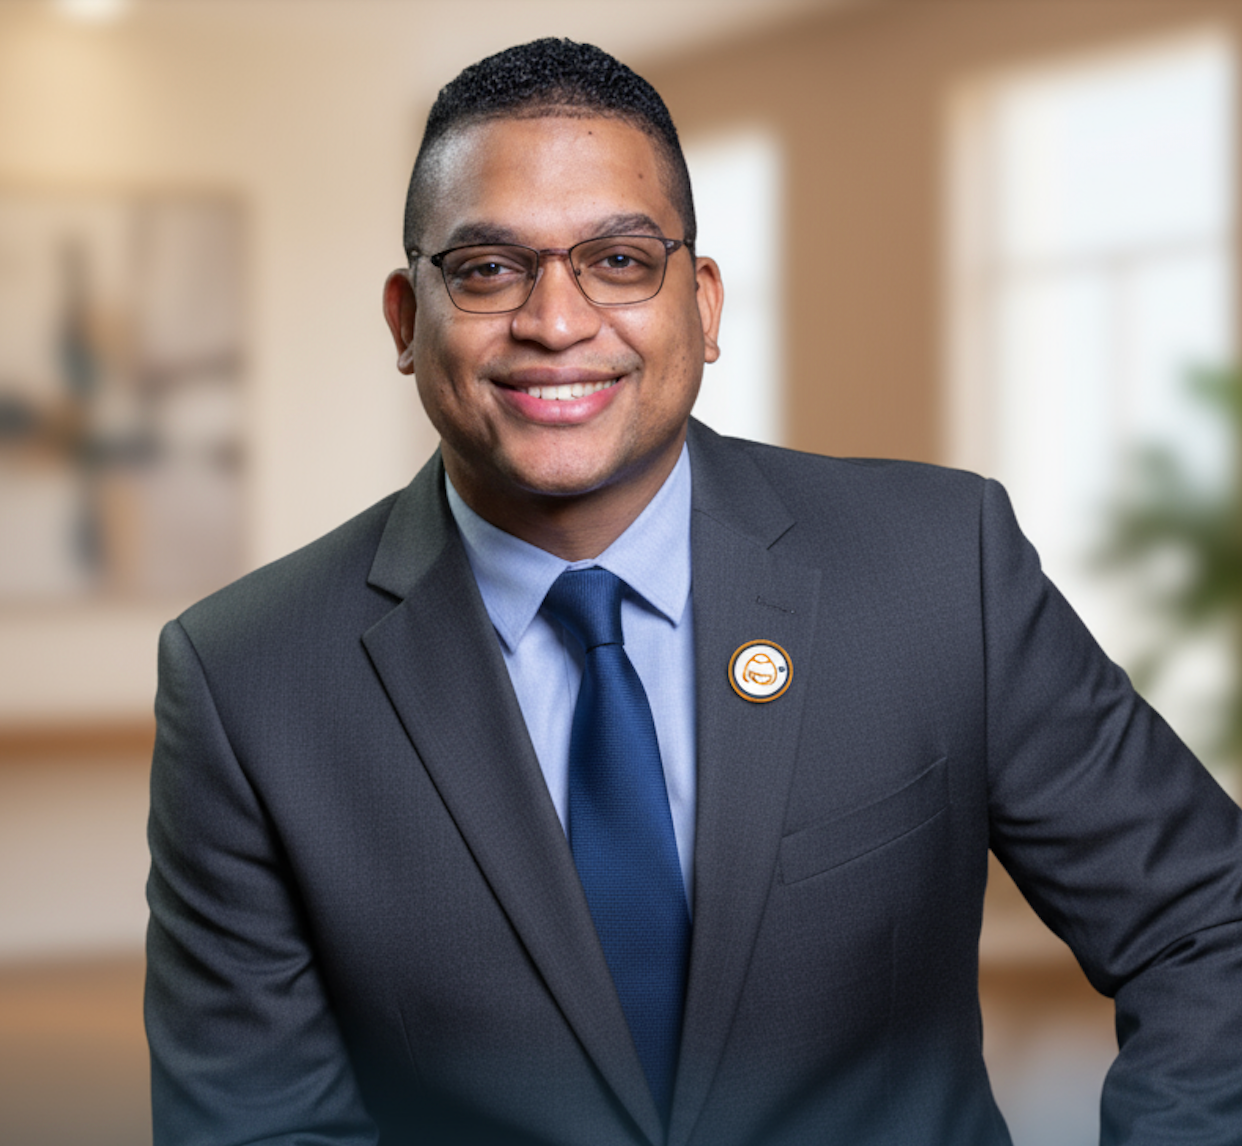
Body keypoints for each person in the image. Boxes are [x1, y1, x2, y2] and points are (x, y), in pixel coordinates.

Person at [145, 37, 1242, 1146]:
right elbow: (259, 1125)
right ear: (404, 319)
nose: (556, 322)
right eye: (488, 269)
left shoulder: (940, 566)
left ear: (704, 305)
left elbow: (1208, 922)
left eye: (618, 261)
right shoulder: (246, 684)